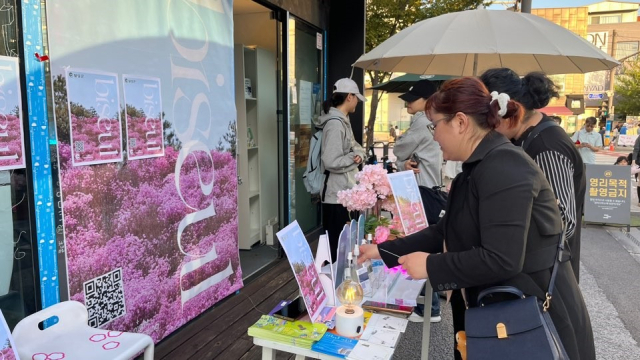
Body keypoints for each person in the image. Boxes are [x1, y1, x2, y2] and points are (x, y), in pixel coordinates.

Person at [358, 77, 595, 360]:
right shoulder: (477, 168)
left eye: (436, 125)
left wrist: (432, 265)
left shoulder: (505, 167)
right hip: (502, 310)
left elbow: (502, 258)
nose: (433, 135)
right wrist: (382, 251)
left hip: (532, 317)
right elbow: (443, 232)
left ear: (460, 122)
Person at [481, 68, 586, 283]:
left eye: (489, 120)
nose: (486, 128)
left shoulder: (547, 147)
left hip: (544, 277)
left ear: (514, 112)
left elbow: (562, 223)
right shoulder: (524, 138)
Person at [391, 79, 442, 324]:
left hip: (423, 191)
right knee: (430, 241)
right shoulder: (433, 120)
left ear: (426, 101)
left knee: (420, 244)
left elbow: (400, 148)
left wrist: (403, 158)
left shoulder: (423, 121)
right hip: (434, 188)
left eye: (413, 98)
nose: (409, 103)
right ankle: (433, 299)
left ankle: (429, 308)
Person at [317, 78, 366, 260]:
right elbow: (330, 161)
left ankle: (341, 286)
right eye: (357, 98)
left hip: (342, 194)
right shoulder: (336, 124)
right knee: (337, 251)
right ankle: (335, 287)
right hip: (335, 196)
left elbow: (357, 148)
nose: (357, 102)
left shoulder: (343, 120)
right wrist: (355, 158)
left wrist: (358, 154)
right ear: (350, 97)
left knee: (342, 249)